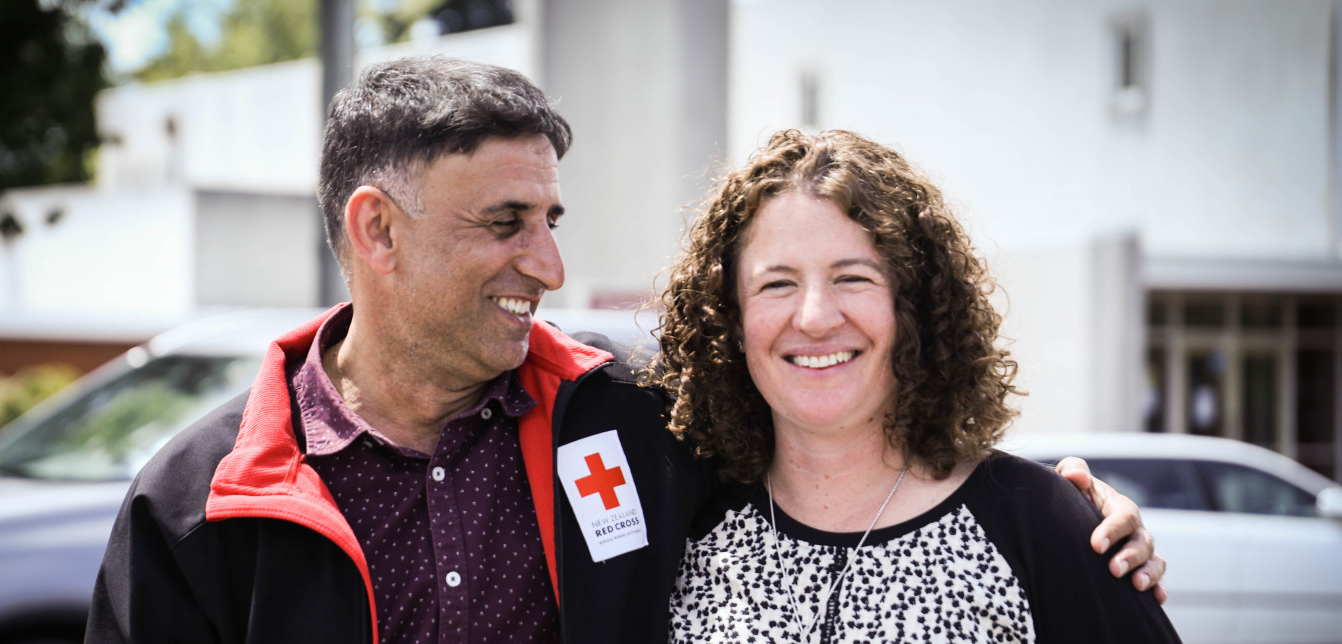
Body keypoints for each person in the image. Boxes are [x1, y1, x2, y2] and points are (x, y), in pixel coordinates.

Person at [85, 58, 1162, 644]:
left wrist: (1069, 516)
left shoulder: (629, 416)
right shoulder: (199, 507)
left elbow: (842, 448)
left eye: (552, 219)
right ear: (377, 231)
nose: (547, 265)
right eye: (505, 222)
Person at [650, 128, 1179, 642]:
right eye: (777, 283)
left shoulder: (1039, 524)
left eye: (852, 277)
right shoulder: (683, 528)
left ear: (914, 309)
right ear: (732, 319)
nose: (813, 317)